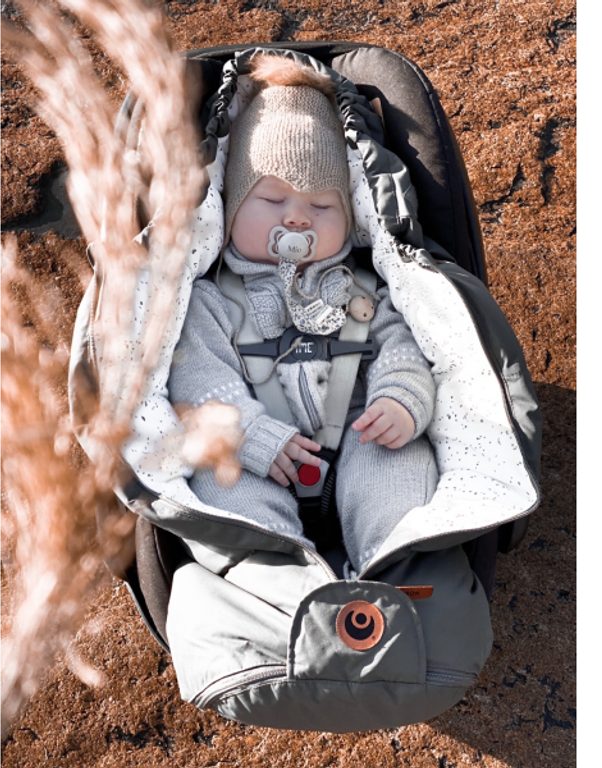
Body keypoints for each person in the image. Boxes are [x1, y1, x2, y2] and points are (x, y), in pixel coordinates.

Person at [168, 55, 438, 573]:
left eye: (321, 207)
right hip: (256, 456)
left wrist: (400, 400)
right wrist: (248, 435)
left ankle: (388, 568)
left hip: (361, 438)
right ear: (231, 208)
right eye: (272, 198)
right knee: (218, 478)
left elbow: (404, 350)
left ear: (349, 220)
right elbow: (197, 379)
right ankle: (279, 583)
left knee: (401, 459)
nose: (296, 217)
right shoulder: (210, 301)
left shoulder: (365, 291)